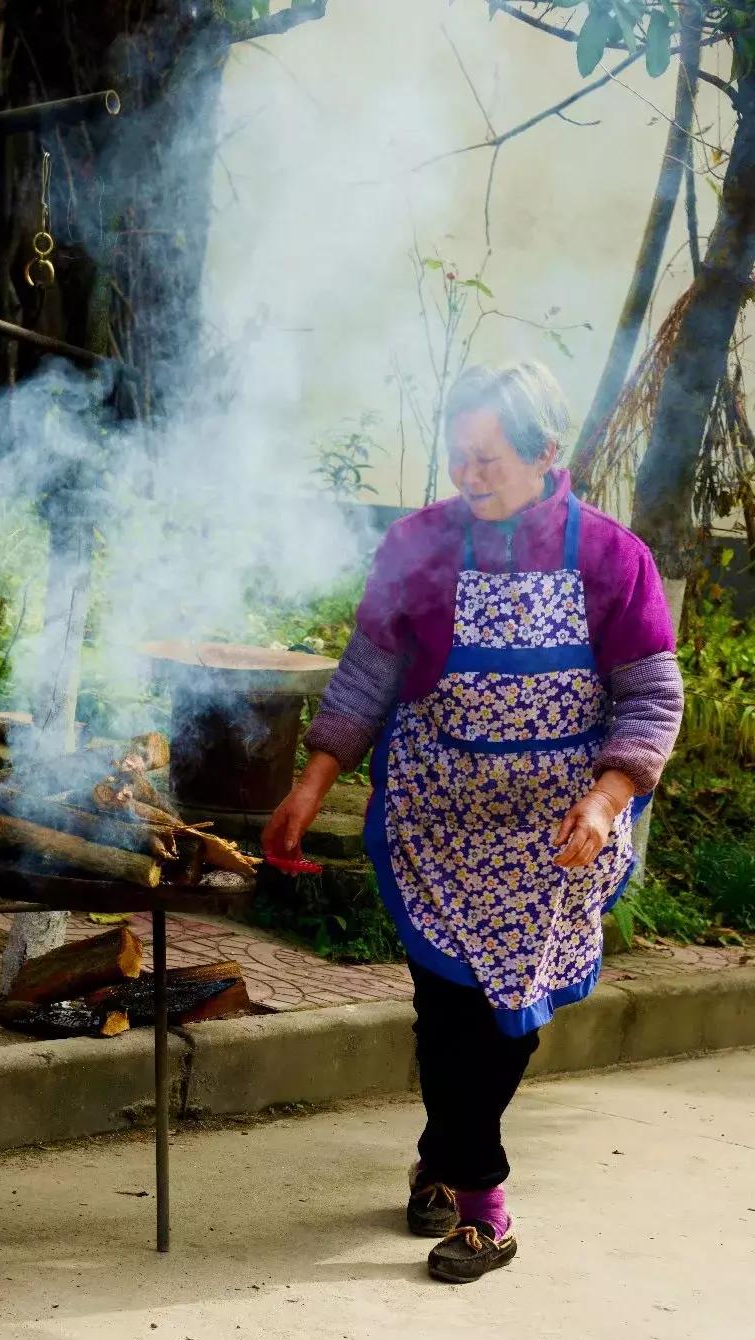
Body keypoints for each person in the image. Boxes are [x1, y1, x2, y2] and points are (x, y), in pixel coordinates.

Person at [262, 361, 684, 1283]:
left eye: (488, 458)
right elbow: (367, 675)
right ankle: (485, 1208)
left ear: (546, 453)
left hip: (554, 838)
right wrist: (313, 782)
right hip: (436, 822)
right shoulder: (418, 545)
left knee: (505, 1026)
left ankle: (442, 1159)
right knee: (444, 1009)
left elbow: (651, 697)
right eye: (458, 456)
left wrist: (608, 798)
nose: (468, 474)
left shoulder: (611, 558)